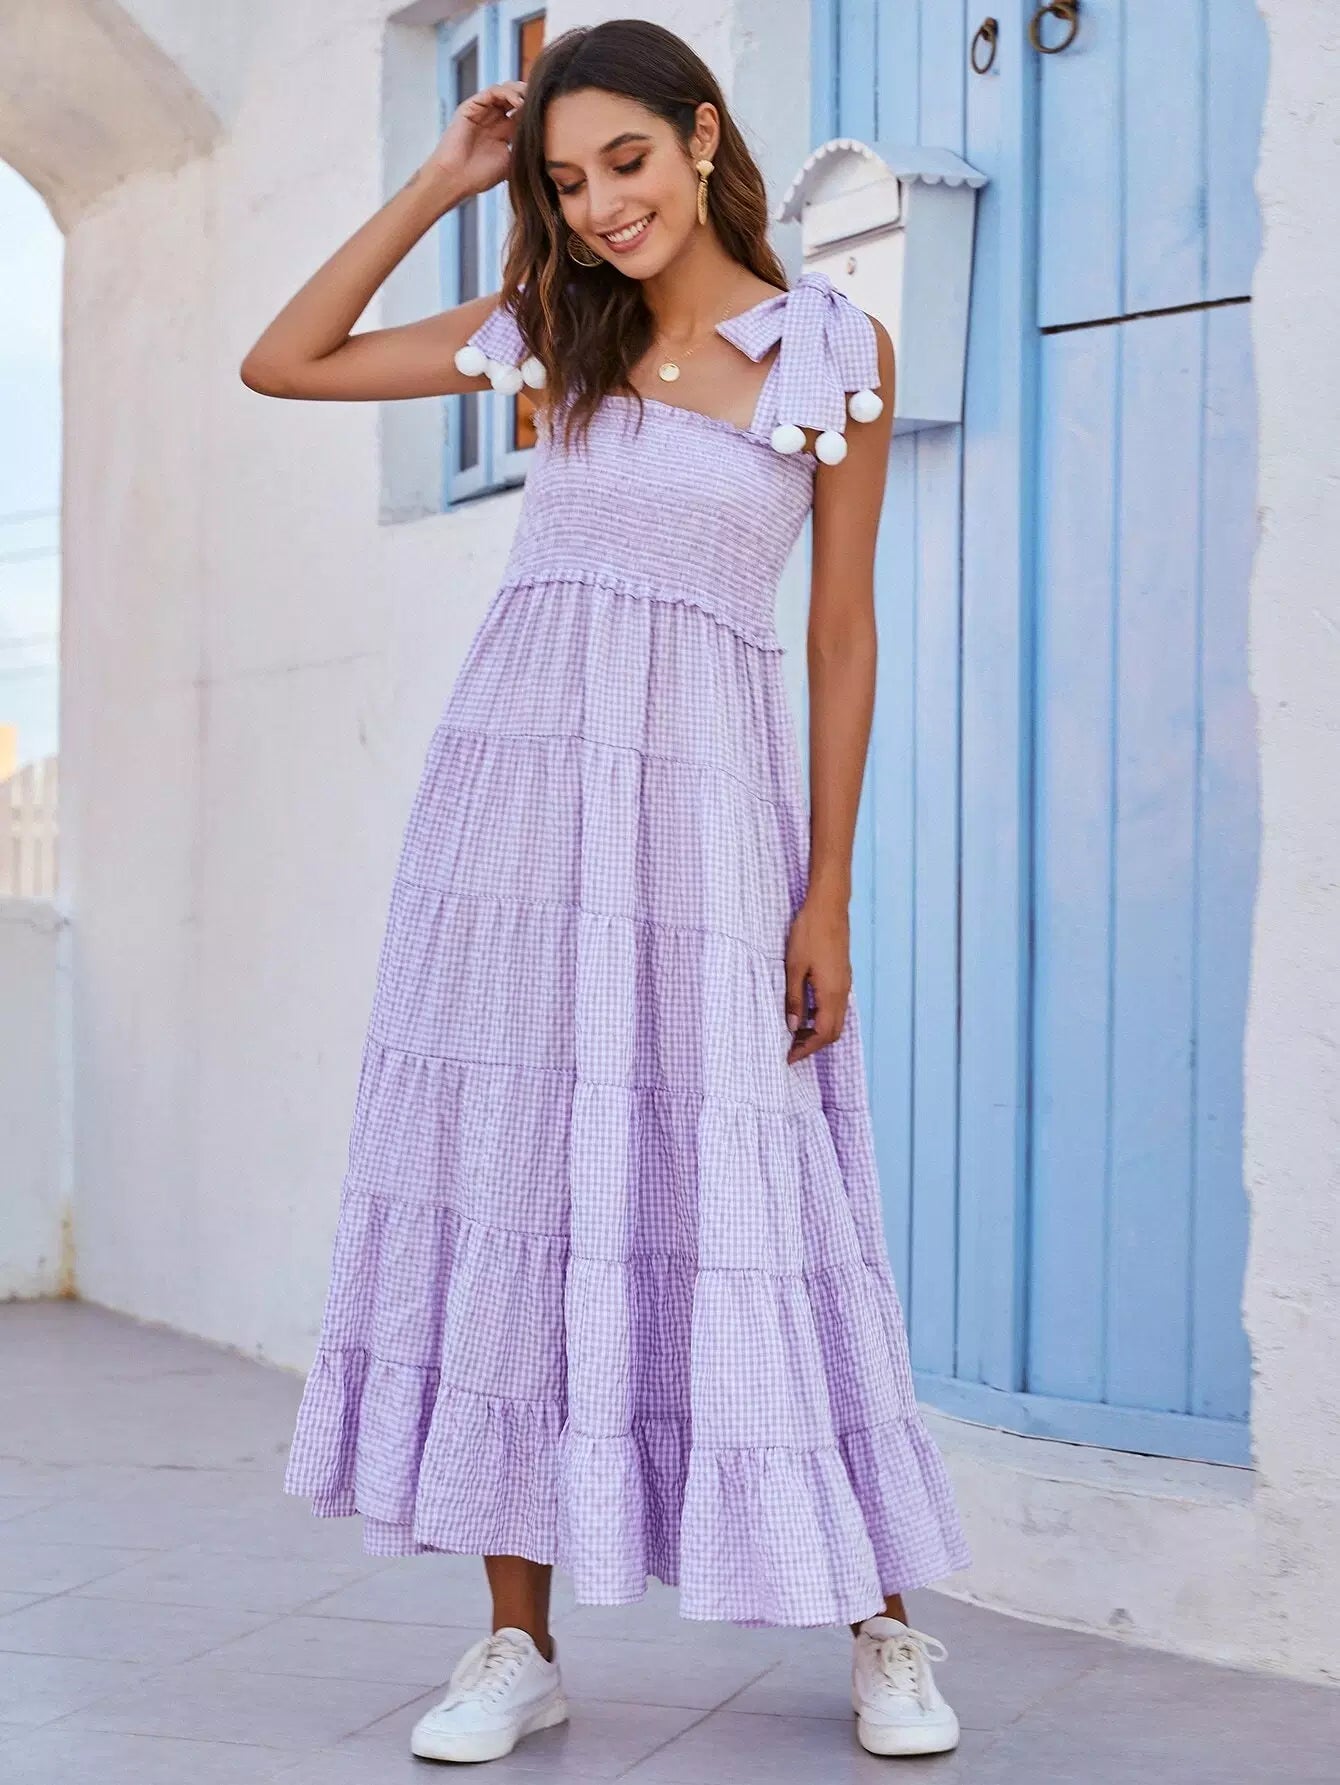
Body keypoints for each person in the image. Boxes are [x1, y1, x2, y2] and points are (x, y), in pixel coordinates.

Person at [240, 16, 972, 1767]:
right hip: (510, 823)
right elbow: (285, 359)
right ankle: (518, 1638)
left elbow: (842, 635)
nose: (600, 206)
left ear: (703, 138)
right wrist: (444, 178)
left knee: (764, 1186)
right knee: (517, 1184)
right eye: (567, 182)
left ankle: (881, 1616)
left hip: (709, 828)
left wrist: (827, 892)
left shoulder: (832, 350)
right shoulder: (548, 334)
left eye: (625, 162)